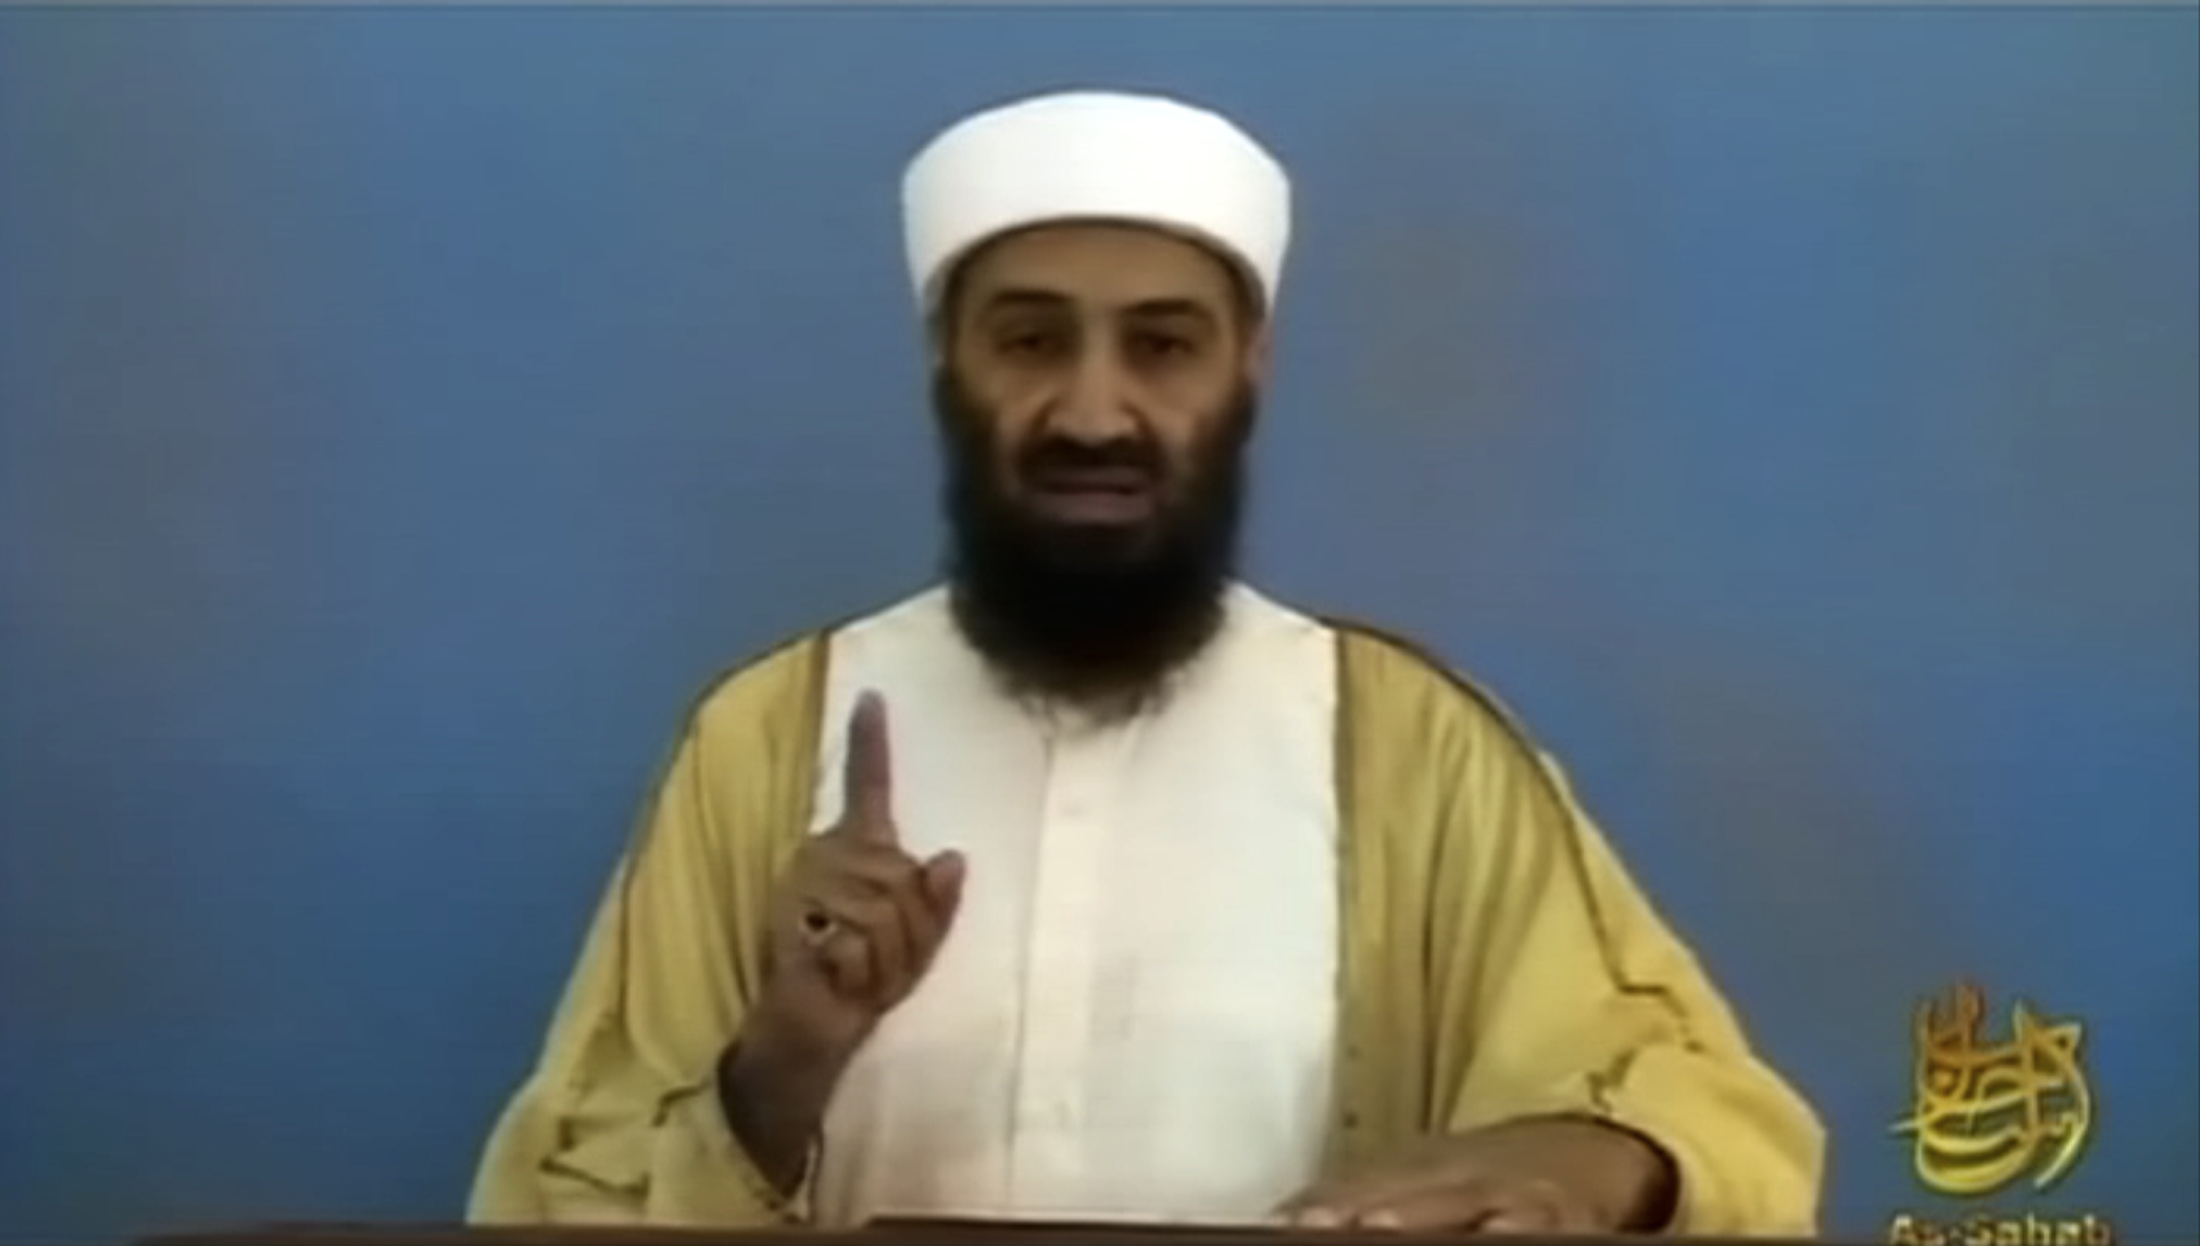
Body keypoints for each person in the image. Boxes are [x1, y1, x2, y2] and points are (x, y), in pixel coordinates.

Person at [467, 89, 1824, 1236]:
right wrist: (777, 1071)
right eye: (1031, 341)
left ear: (1250, 369)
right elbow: (559, 1192)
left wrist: (1596, 1161)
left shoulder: (1412, 752)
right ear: (947, 363)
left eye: (1163, 346)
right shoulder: (768, 739)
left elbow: (1712, 1117)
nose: (1094, 411)